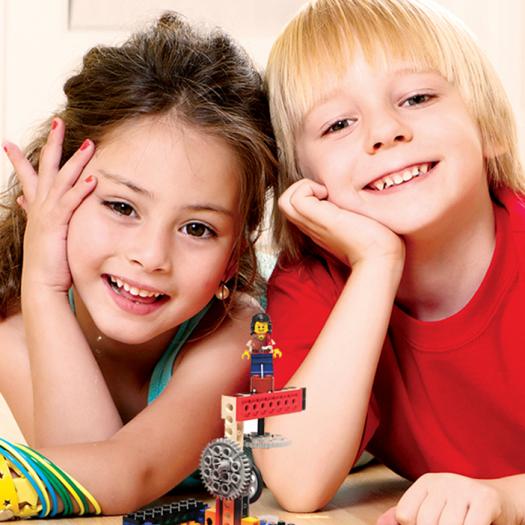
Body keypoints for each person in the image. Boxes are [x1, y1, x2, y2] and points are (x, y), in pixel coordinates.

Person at [255, 0, 525, 523]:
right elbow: (297, 480)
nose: (384, 131)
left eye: (417, 97)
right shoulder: (313, 282)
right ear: (304, 182)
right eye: (338, 124)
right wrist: (377, 262)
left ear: (488, 127)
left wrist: (508, 499)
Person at [0, 11, 276, 517]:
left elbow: (121, 478)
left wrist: (42, 286)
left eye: (198, 229)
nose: (150, 257)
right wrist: (41, 287)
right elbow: (85, 483)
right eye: (122, 206)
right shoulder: (13, 328)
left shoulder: (239, 330)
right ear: (53, 191)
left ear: (235, 253)